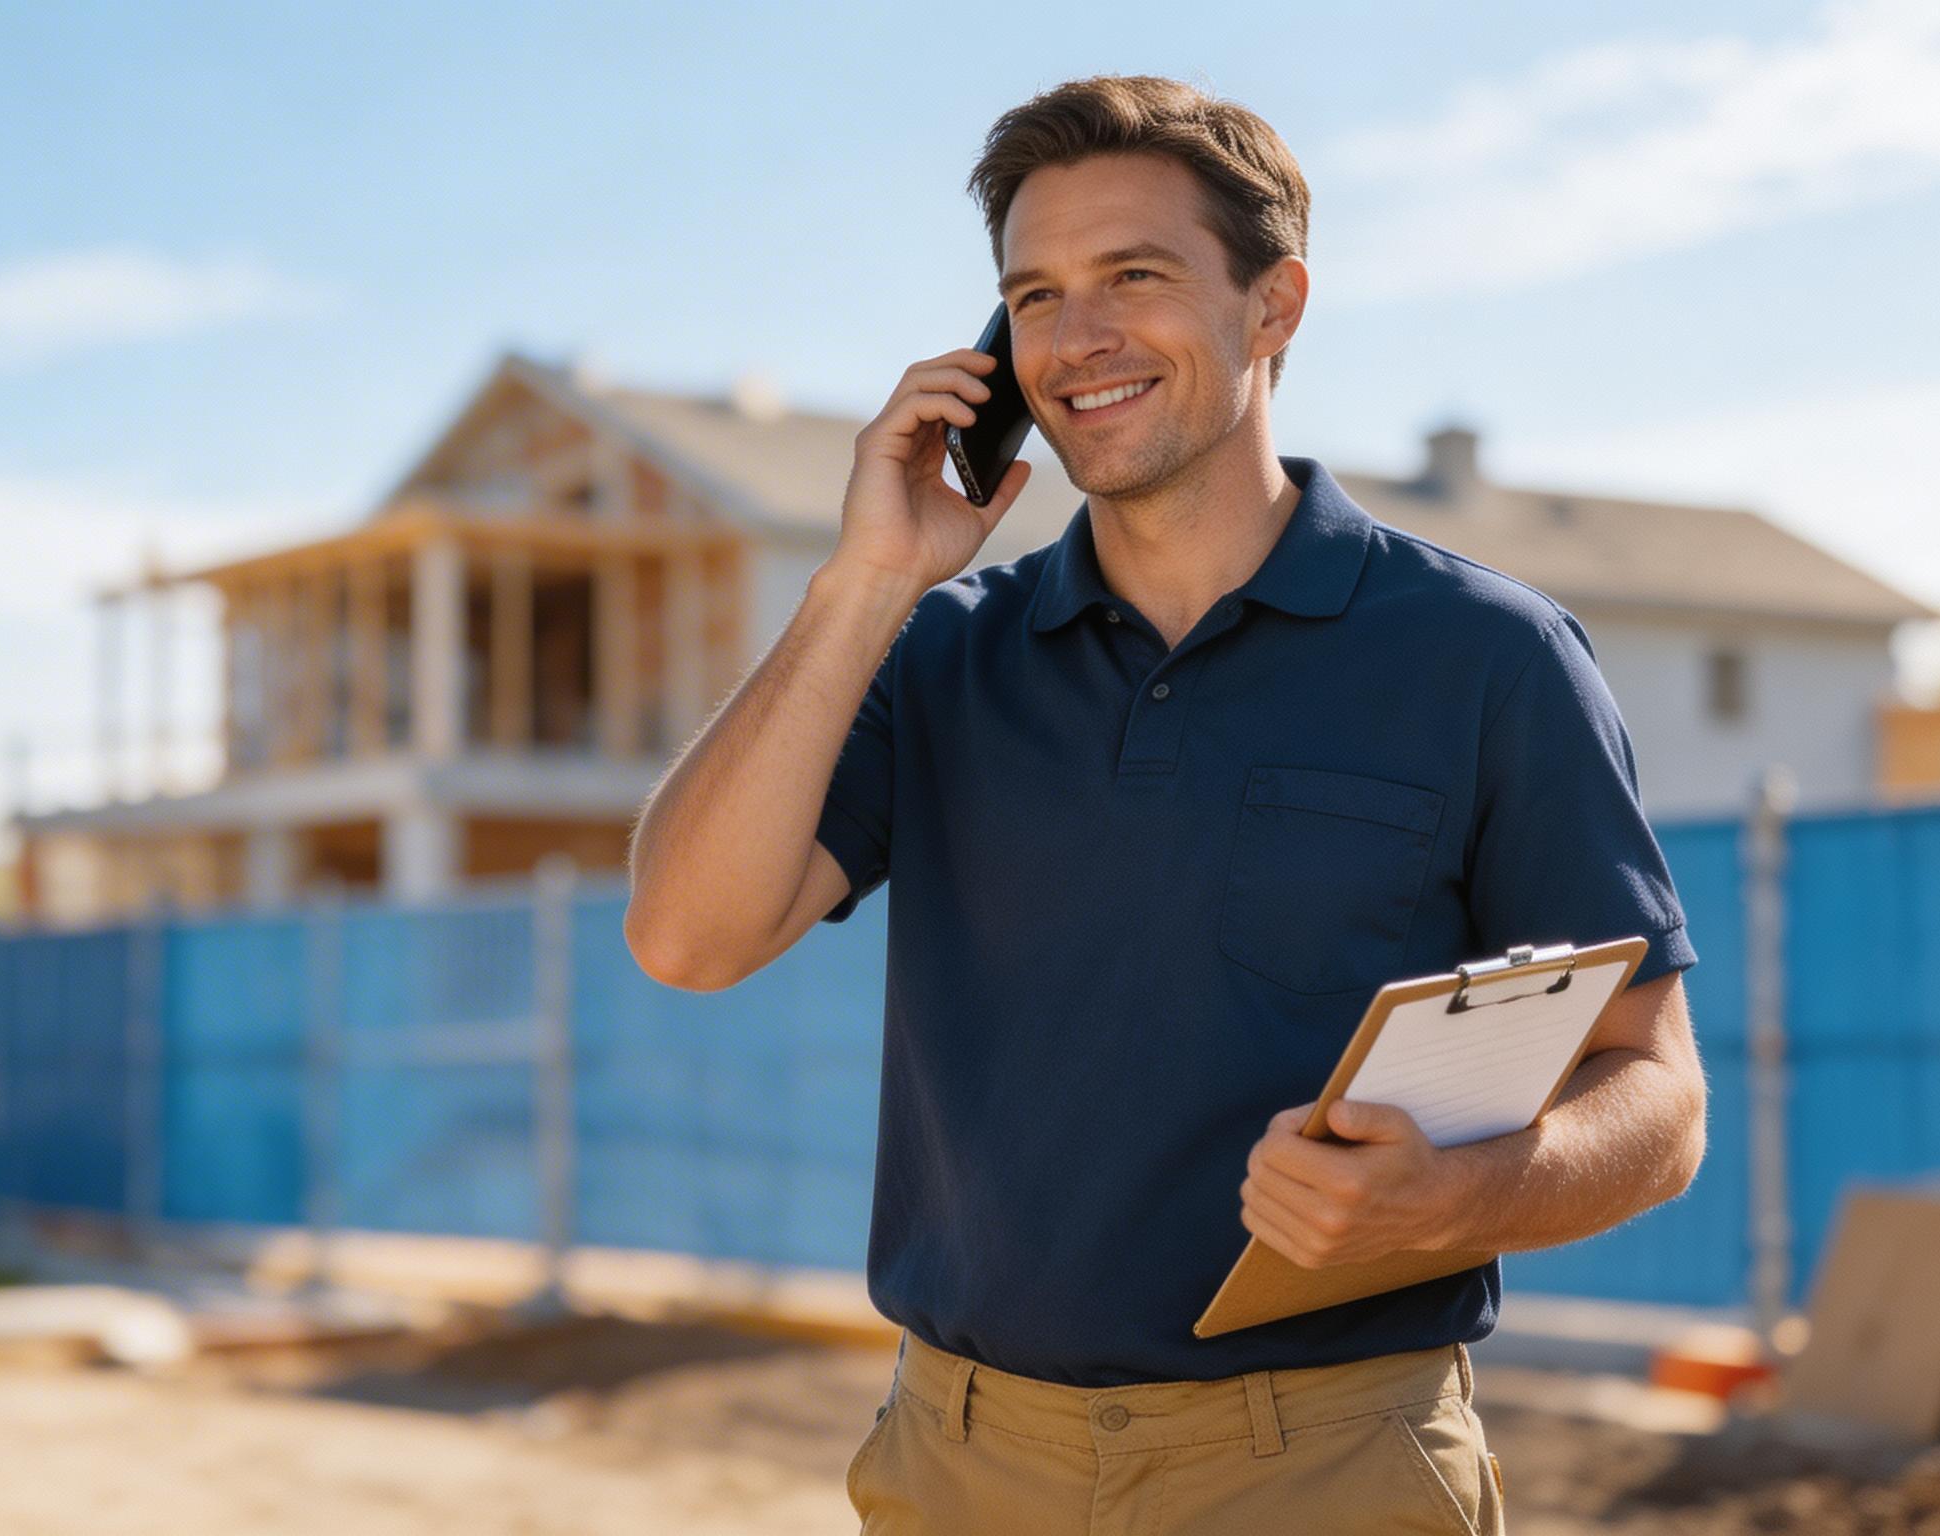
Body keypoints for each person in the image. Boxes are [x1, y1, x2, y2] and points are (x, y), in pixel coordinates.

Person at [623, 73, 1704, 1535]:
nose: (1078, 338)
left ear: (1275, 307)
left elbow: (1659, 1094)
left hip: (1327, 1465)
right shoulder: (935, 652)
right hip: (959, 1463)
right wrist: (868, 579)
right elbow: (688, 937)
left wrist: (1458, 1198)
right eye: (1037, 295)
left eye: (1135, 276)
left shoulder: (1485, 658)